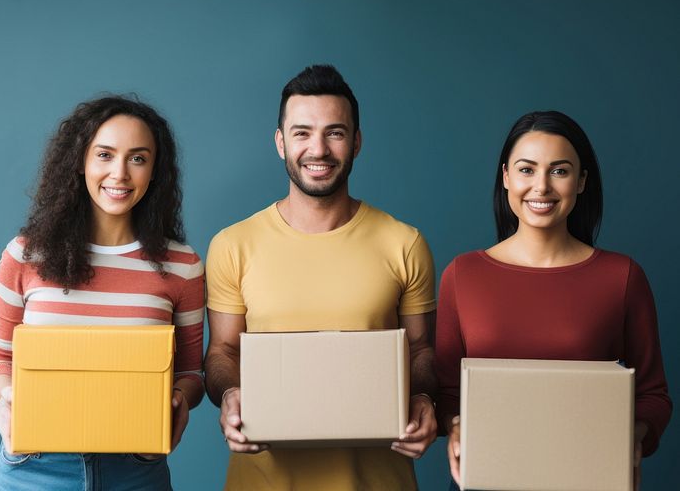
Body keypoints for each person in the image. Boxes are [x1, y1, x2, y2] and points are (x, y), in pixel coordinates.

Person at [205, 64, 438, 491]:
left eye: (335, 132)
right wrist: (230, 395)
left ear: (356, 142)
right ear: (280, 143)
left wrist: (422, 397)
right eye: (301, 133)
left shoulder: (404, 243)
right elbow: (221, 350)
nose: (319, 149)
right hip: (263, 482)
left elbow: (421, 348)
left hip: (378, 480)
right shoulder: (232, 245)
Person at [435, 110, 672, 491]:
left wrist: (632, 438)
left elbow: (652, 395)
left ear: (581, 182)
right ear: (506, 177)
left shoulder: (622, 277)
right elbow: (446, 391)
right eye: (527, 170)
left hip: (589, 477)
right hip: (486, 479)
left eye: (559, 171)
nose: (541, 186)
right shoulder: (462, 275)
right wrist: (456, 427)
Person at [0, 95, 205, 491]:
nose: (119, 173)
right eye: (104, 155)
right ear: (80, 162)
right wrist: (13, 398)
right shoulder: (26, 254)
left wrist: (177, 402)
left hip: (136, 467)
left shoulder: (182, 265)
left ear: (155, 171)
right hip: (34, 466)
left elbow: (190, 374)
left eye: (137, 158)